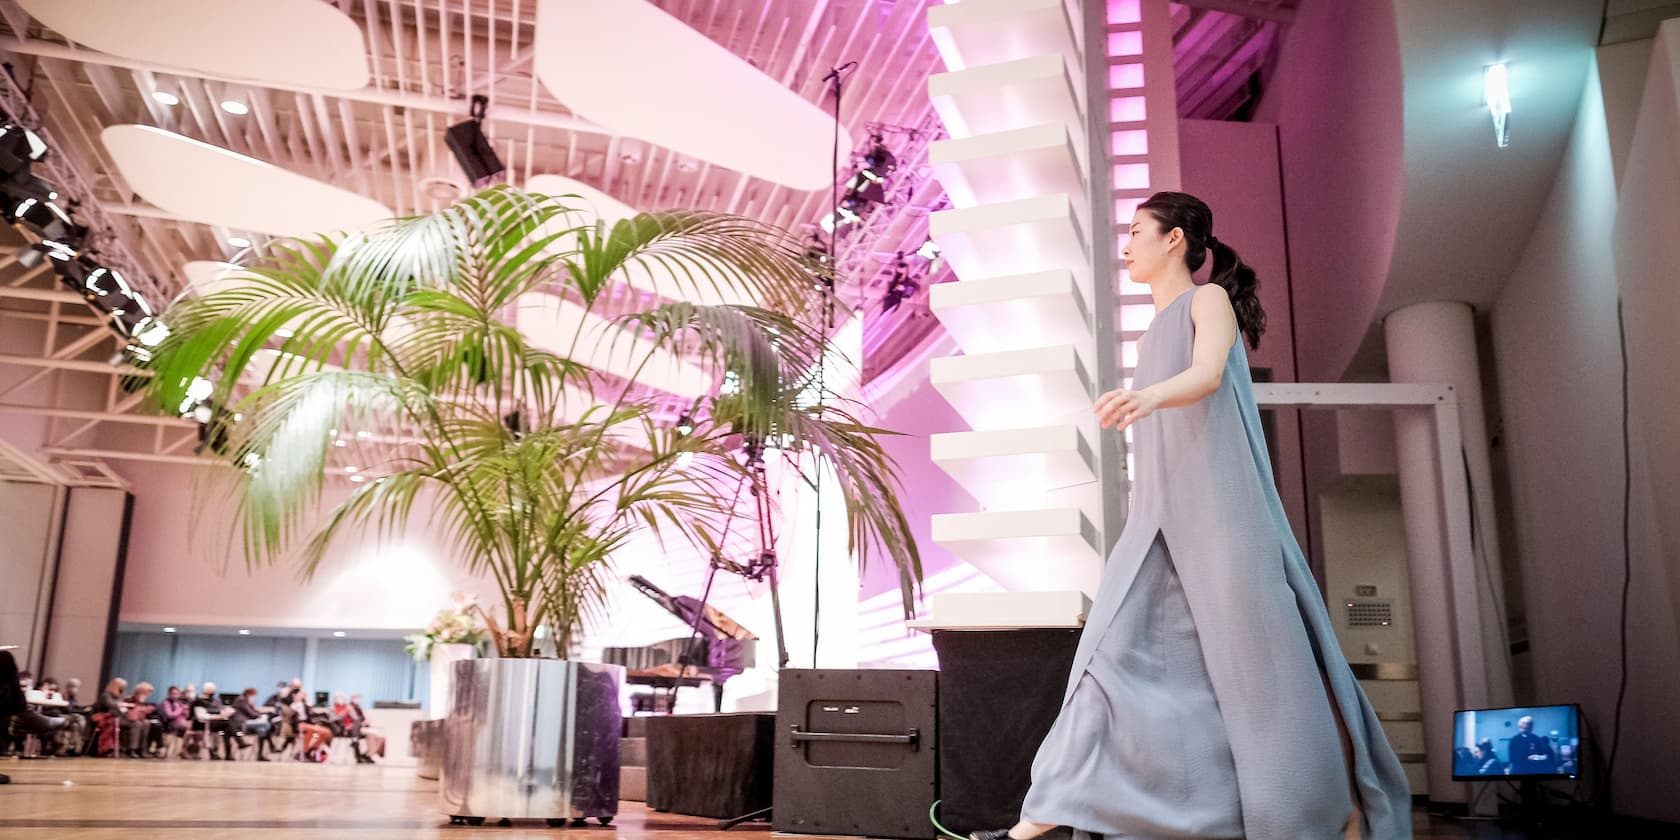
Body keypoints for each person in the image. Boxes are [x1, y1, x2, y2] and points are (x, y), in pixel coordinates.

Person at [970, 193, 1411, 840]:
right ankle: (1035, 824)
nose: (1126, 245)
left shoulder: (1209, 302)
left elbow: (1207, 376)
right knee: (1105, 659)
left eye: (1136, 231)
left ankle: (1323, 812)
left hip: (1224, 521)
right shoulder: (1151, 333)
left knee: (1264, 674)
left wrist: (1147, 395)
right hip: (1159, 521)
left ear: (1175, 240)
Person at [229, 687, 272, 761]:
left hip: (247, 721)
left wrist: (252, 705)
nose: (254, 697)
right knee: (266, 724)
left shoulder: (246, 700)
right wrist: (259, 715)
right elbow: (250, 713)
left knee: (261, 730)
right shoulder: (241, 700)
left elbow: (252, 712)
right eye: (253, 695)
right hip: (241, 723)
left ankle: (260, 755)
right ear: (249, 694)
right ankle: (271, 744)